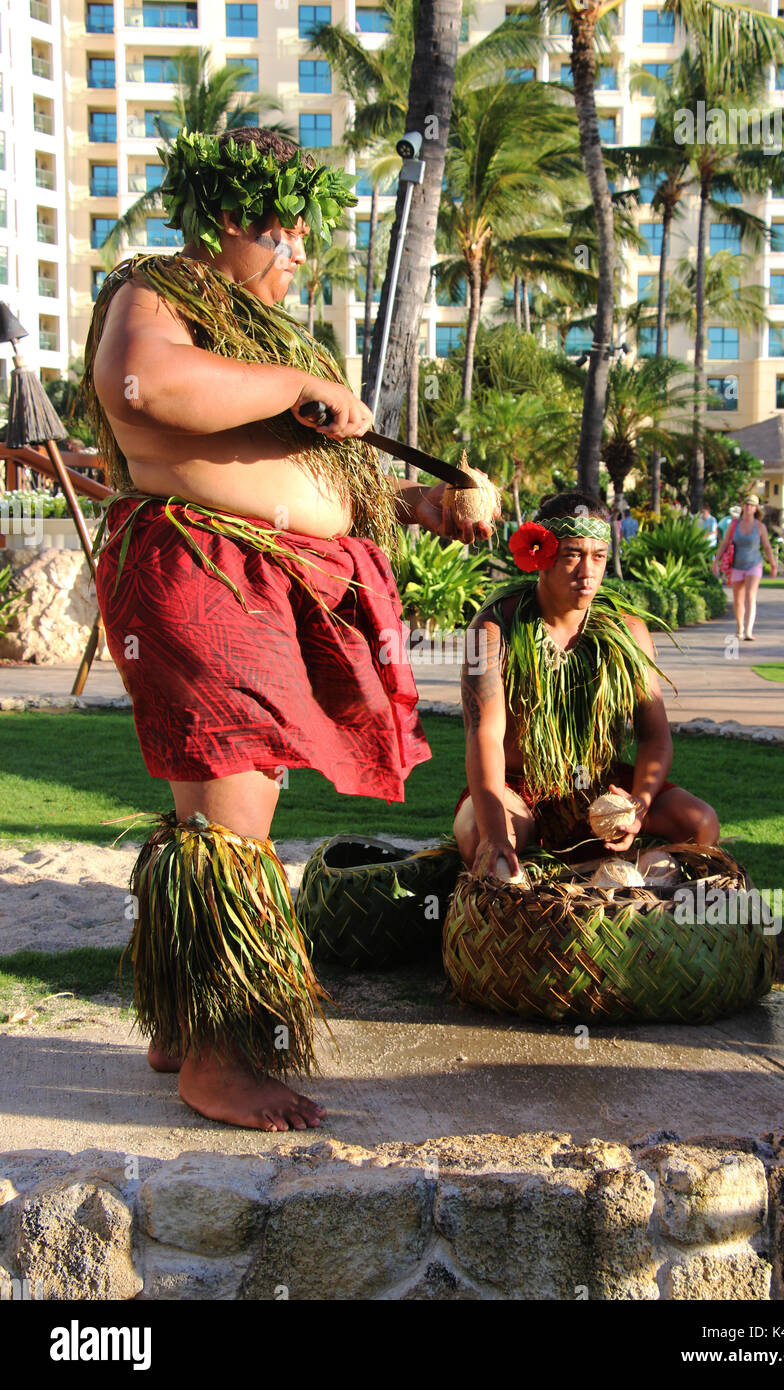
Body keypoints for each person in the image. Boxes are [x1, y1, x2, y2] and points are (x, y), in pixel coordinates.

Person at [79, 127, 496, 1133]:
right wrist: (298, 388)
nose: (301, 249)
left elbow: (307, 475)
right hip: (204, 570)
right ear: (229, 220)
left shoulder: (249, 325)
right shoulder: (155, 293)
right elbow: (148, 386)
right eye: (285, 230)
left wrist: (423, 505)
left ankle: (184, 1025)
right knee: (231, 824)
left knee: (212, 813)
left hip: (261, 579)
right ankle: (222, 1057)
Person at [453, 490, 719, 877]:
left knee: (701, 823)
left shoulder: (626, 631)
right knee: (482, 840)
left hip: (598, 785)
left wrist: (639, 806)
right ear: (540, 554)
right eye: (572, 555)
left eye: (598, 557)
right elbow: (485, 736)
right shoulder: (495, 629)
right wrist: (495, 834)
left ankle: (635, 893)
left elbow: (655, 737)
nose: (587, 572)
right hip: (517, 789)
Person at [712, 493, 777, 642]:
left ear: (756, 509)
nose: (749, 507)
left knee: (750, 596)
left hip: (754, 564)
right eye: (747, 504)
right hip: (737, 565)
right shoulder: (733, 525)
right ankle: (740, 628)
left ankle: (748, 630)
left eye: (752, 505)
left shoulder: (760, 527)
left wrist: (773, 564)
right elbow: (724, 543)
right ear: (743, 507)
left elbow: (766, 547)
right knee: (738, 599)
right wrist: (716, 561)